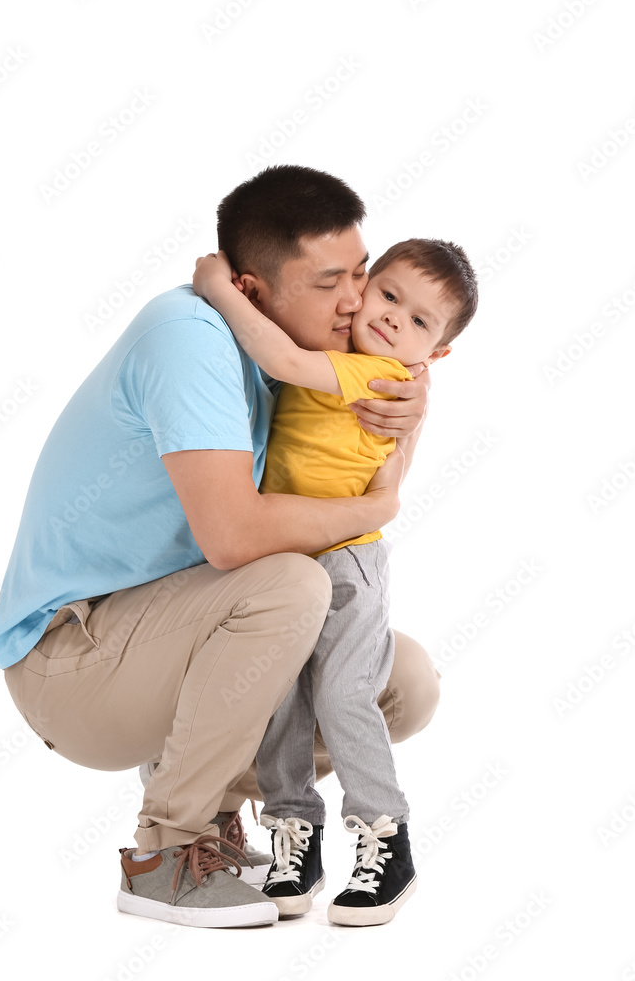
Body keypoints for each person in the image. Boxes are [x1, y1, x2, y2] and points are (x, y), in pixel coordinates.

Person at [0, 164, 441, 929]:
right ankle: (165, 852)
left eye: (363, 273)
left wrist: (407, 405)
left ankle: (211, 798)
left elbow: (345, 465)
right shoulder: (191, 340)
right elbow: (235, 538)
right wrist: (380, 505)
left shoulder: (285, 356)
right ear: (252, 289)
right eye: (332, 281)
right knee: (294, 585)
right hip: (67, 663)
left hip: (171, 634)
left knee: (404, 681)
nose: (360, 300)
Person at [192, 239, 477, 925]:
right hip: (281, 561)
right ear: (363, 286)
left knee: (347, 693)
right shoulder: (343, 354)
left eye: (419, 323)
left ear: (432, 355)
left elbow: (280, 359)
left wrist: (218, 288)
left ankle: (386, 836)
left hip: (347, 558)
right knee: (283, 698)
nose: (394, 322)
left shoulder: (377, 373)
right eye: (389, 296)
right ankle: (296, 836)